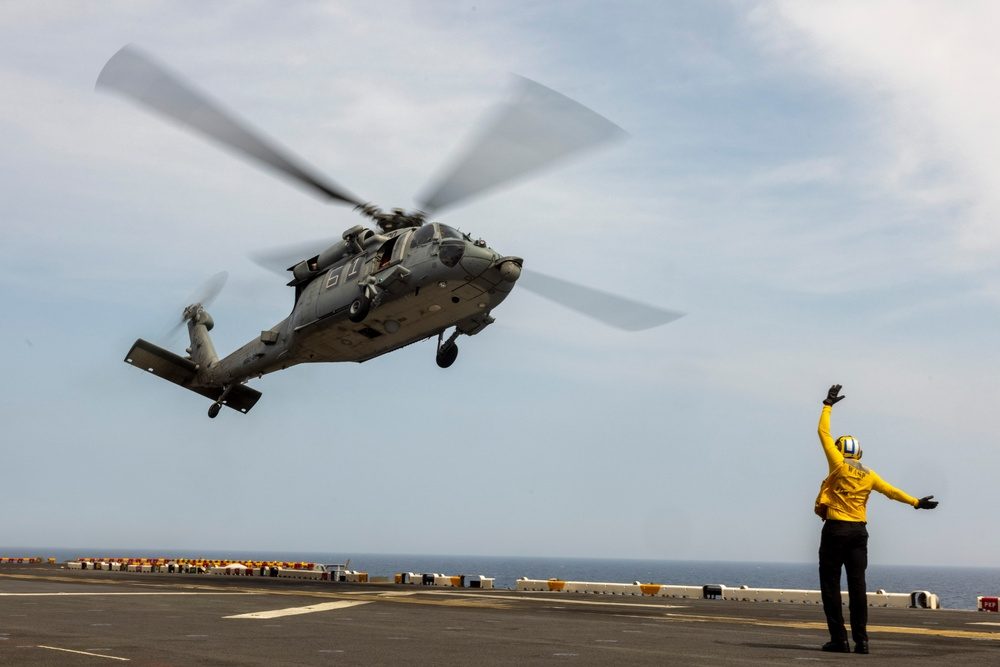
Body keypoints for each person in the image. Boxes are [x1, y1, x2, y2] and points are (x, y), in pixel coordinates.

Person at [814, 384, 938, 655]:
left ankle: (840, 640)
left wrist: (827, 405)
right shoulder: (869, 475)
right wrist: (916, 502)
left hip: (836, 531)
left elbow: (823, 433)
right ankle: (862, 641)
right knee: (858, 587)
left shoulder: (838, 465)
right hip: (859, 534)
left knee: (831, 586)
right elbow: (892, 492)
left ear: (841, 450)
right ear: (859, 453)